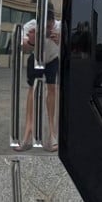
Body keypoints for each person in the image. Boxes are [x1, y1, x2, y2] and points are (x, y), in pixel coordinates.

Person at [18, 13, 62, 149]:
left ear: (53, 21)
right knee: (32, 90)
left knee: (52, 89)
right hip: (36, 57)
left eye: (50, 26)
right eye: (45, 27)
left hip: (52, 59)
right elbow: (23, 47)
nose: (48, 30)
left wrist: (60, 41)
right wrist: (31, 41)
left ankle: (52, 133)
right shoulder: (31, 25)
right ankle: (28, 132)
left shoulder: (60, 26)